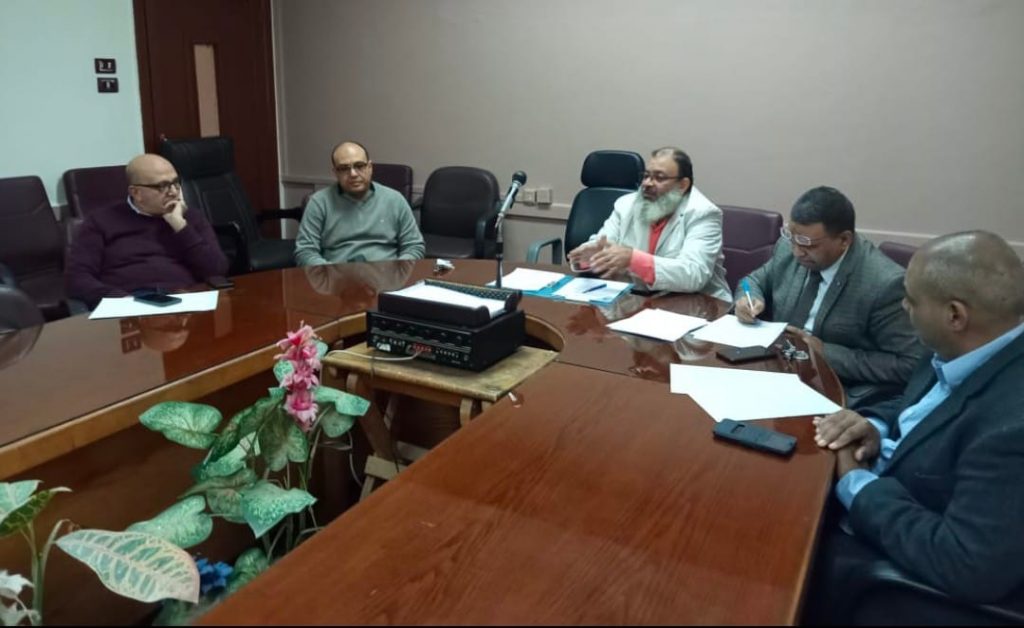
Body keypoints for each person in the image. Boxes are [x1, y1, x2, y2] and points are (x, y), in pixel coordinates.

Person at [808, 231, 1024, 620]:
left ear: (955, 315)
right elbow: (921, 407)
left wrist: (855, 482)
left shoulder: (1012, 428)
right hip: (884, 485)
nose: (903, 306)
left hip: (886, 564)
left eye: (911, 299)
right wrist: (872, 425)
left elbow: (966, 563)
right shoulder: (963, 346)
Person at [734, 186, 925, 409]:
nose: (797, 252)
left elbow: (910, 364)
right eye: (793, 239)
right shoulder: (790, 246)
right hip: (776, 369)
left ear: (844, 240)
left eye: (809, 245)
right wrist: (748, 298)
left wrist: (826, 353)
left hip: (837, 389)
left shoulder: (883, 283)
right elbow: (752, 281)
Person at [566, 147, 731, 301]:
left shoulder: (703, 213)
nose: (647, 183)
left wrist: (633, 260)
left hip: (699, 303)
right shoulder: (626, 205)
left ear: (682, 185)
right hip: (639, 299)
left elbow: (694, 274)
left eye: (659, 177)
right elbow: (603, 241)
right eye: (646, 176)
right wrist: (592, 257)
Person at [65, 154, 228, 308]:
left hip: (184, 299)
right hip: (130, 303)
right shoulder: (100, 221)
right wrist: (120, 300)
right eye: (162, 186)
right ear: (136, 193)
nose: (173, 191)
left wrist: (180, 226)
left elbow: (216, 269)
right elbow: (77, 278)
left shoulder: (190, 218)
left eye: (176, 183)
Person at [294, 141, 424, 266]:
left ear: (370, 167)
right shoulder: (319, 202)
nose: (353, 174)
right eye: (344, 168)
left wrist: (397, 269)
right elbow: (305, 252)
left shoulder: (394, 199)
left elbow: (414, 246)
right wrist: (332, 273)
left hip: (387, 275)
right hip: (336, 276)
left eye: (359, 166)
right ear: (335, 173)